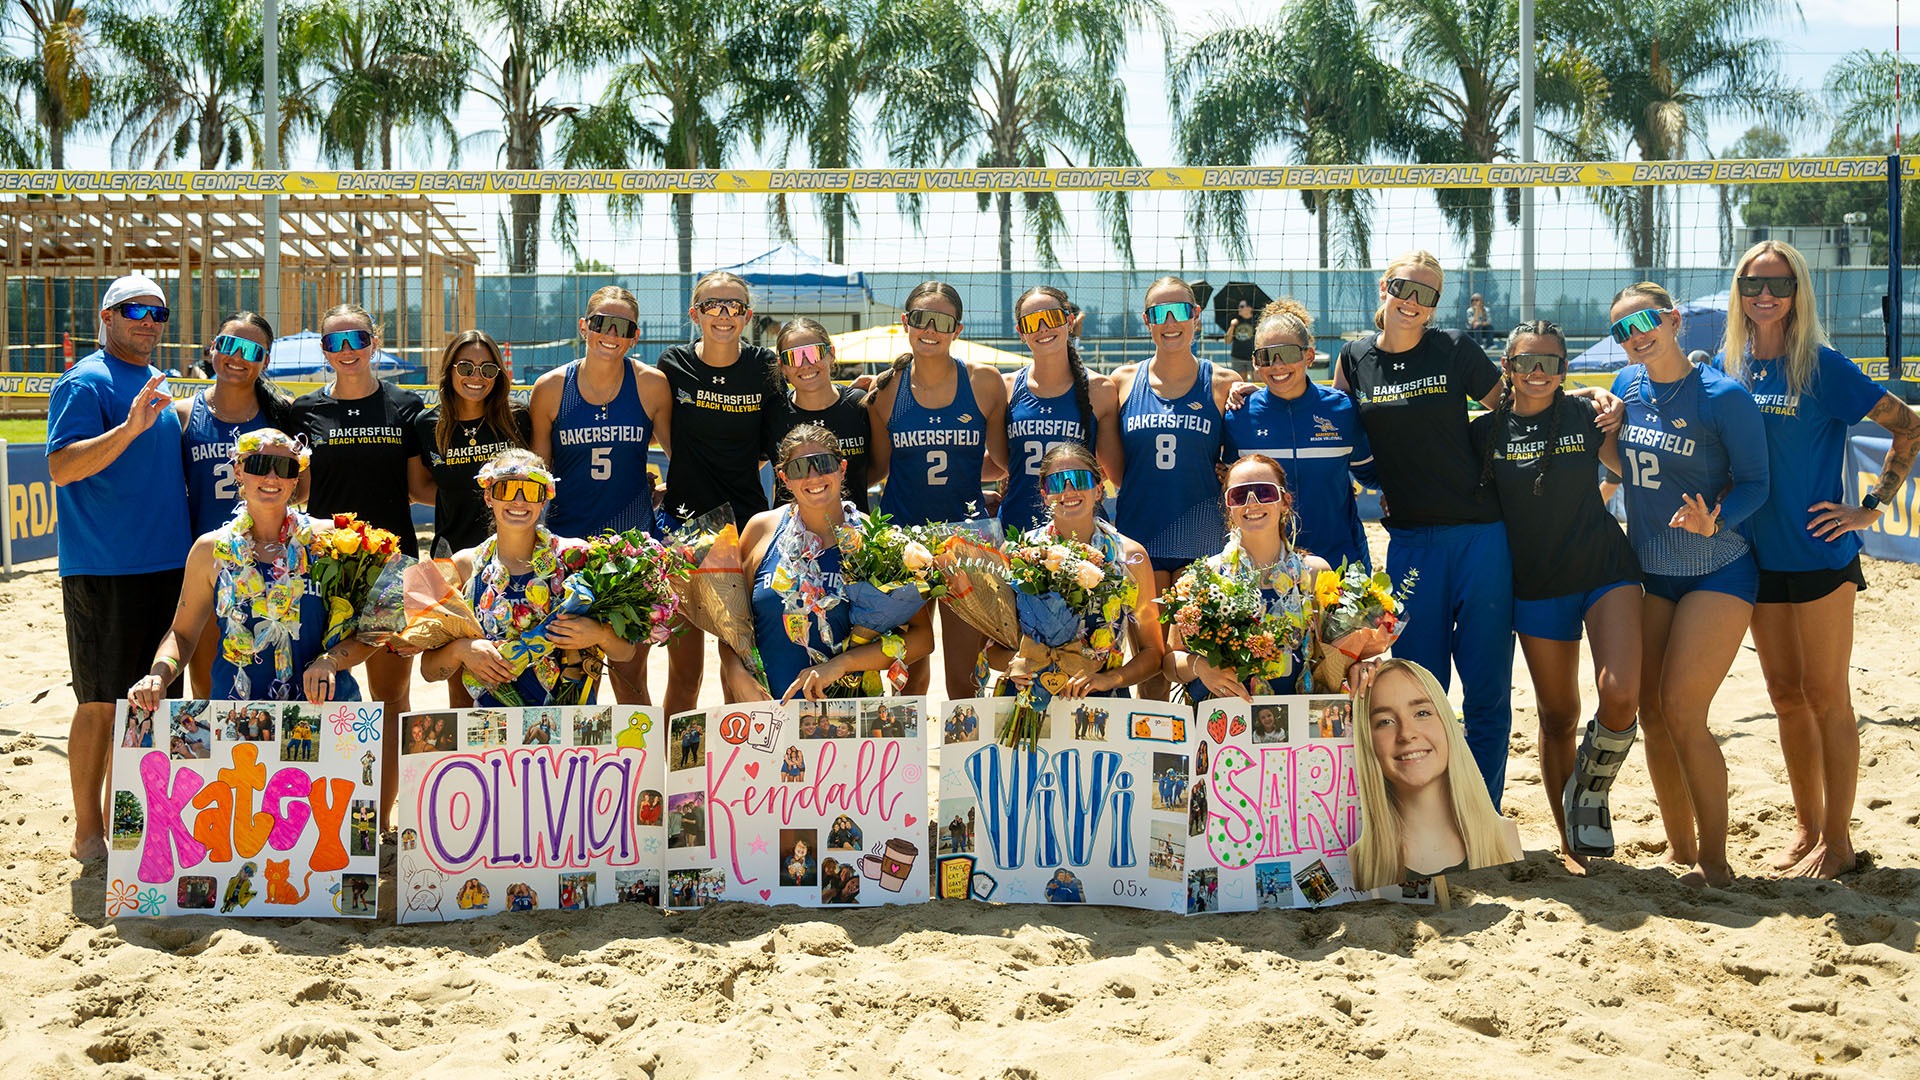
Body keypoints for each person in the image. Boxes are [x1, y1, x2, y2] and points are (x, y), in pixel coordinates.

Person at [1334, 250, 1619, 808]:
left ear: (1438, 304)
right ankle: (1429, 810)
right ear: (1383, 289)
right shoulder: (1353, 358)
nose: (1413, 302)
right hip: (1411, 541)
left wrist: (1585, 396)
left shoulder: (1454, 350)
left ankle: (1482, 813)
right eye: (1403, 288)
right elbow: (1331, 418)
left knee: (1486, 688)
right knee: (1418, 687)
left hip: (1482, 535)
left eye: (1428, 295)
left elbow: (1519, 404)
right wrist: (1247, 391)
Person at [1719, 240, 1920, 879]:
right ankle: (1806, 829)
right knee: (1783, 696)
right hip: (1755, 556)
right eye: (1753, 285)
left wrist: (1871, 506)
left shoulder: (1824, 367)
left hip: (1819, 555)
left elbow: (1909, 425)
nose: (1765, 295)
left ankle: (1840, 841)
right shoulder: (1732, 367)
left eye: (1778, 283)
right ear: (1740, 293)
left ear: (1799, 290)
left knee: (1827, 695)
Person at [1605, 281, 1769, 888]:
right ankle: (1679, 850)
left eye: (1645, 321)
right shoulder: (1628, 388)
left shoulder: (1723, 396)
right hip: (1653, 570)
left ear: (1673, 319)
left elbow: (1757, 484)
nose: (1636, 335)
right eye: (1622, 330)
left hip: (1718, 567)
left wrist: (1715, 517)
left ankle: (1716, 862)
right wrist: (1604, 435)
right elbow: (1628, 466)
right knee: (1649, 711)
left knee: (1682, 709)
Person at [1470, 321, 1642, 874]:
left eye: (1549, 362)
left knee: (1620, 694)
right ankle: (1571, 838)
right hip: (1537, 585)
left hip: (1603, 567)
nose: (1538, 372)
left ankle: (1589, 789)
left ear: (1564, 370)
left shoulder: (1585, 414)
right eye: (1526, 362)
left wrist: (1620, 412)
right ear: (1509, 368)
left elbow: (1626, 468)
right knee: (1558, 714)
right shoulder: (1484, 434)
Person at [46, 274, 193, 860]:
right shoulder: (85, 380)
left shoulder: (155, 382)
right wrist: (130, 427)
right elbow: (61, 467)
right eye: (134, 310)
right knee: (99, 702)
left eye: (158, 312)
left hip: (167, 565)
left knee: (151, 701)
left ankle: (126, 823)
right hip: (105, 567)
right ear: (105, 316)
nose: (148, 320)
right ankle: (88, 830)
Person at [127, 427, 372, 713]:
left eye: (284, 467)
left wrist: (332, 660)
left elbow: (373, 630)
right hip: (238, 716)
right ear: (238, 471)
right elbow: (182, 634)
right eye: (257, 465)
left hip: (326, 712)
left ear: (296, 478)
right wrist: (158, 675)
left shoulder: (333, 540)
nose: (271, 477)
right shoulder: (210, 549)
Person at [291, 302, 431, 803]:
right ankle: (323, 808)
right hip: (321, 570)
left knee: (391, 698)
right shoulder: (302, 411)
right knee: (319, 692)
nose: (347, 351)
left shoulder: (405, 406)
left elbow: (421, 487)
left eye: (357, 339)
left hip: (391, 570)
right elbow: (295, 491)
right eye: (335, 342)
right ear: (324, 350)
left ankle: (386, 819)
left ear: (375, 342)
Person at [721, 424, 937, 703]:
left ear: (842, 468)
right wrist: (734, 671)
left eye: (823, 464)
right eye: (799, 468)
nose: (813, 476)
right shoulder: (760, 531)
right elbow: (730, 625)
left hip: (849, 717)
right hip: (768, 714)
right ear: (784, 478)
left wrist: (841, 664)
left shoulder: (877, 542)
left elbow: (922, 639)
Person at [867, 281, 1010, 699]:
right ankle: (903, 764)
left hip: (965, 541)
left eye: (942, 321)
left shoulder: (983, 382)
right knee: (906, 675)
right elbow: (876, 469)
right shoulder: (886, 390)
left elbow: (1002, 459)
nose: (930, 328)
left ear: (957, 329)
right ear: (905, 323)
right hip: (903, 539)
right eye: (920, 319)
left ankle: (961, 761)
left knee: (964, 678)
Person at [531, 285, 673, 704]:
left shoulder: (651, 385)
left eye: (622, 326)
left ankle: (645, 769)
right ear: (583, 327)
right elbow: (538, 480)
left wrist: (664, 496)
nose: (610, 333)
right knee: (566, 683)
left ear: (635, 335)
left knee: (630, 682)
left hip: (629, 553)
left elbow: (683, 461)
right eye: (601, 323)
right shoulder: (552, 388)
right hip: (566, 551)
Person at [420, 450, 636, 707]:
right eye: (507, 490)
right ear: (488, 496)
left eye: (531, 492)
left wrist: (601, 635)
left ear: (544, 499)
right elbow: (429, 671)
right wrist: (462, 651)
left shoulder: (576, 557)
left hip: (570, 731)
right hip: (494, 733)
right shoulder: (464, 566)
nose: (519, 501)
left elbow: (626, 652)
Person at [657, 272, 777, 713]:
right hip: (683, 528)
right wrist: (690, 468)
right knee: (685, 674)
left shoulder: (764, 367)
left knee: (741, 668)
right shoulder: (672, 364)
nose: (724, 314)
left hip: (744, 526)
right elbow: (668, 436)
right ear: (695, 314)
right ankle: (674, 771)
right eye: (713, 305)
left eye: (734, 306)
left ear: (747, 316)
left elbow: (769, 445)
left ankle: (738, 771)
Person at [1113, 276, 1235, 701]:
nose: (1169, 321)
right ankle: (1152, 766)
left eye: (1180, 310)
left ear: (1196, 317)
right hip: (1139, 538)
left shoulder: (1223, 383)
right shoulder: (1123, 381)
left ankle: (1196, 764)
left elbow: (1238, 467)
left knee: (1195, 667)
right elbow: (1111, 466)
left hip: (1200, 539)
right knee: (1149, 670)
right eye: (1158, 313)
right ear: (1146, 321)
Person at [174, 311, 299, 697]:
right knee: (208, 687)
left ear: (265, 360)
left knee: (276, 679)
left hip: (274, 563)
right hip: (212, 566)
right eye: (228, 344)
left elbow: (303, 486)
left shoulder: (282, 414)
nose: (237, 356)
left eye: (251, 349)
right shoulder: (182, 414)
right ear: (213, 346)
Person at [980, 443, 1163, 699]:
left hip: (1101, 702)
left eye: (1079, 479)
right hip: (1029, 699)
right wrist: (1016, 662)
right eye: (1056, 483)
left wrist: (1108, 679)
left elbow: (1153, 653)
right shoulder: (1018, 553)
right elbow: (989, 648)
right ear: (1044, 494)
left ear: (1099, 489)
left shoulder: (1129, 556)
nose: (1069, 490)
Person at [1222, 298, 1376, 571]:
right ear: (1255, 363)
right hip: (1265, 570)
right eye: (1267, 356)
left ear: (1309, 356)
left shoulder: (1343, 410)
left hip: (1340, 560)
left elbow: (1372, 475)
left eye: (1289, 353)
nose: (1277, 365)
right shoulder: (1238, 416)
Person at [1163, 455, 1329, 702]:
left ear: (1285, 501)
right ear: (1228, 506)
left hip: (1298, 725)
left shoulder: (1314, 574)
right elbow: (1169, 662)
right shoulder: (1203, 576)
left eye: (1264, 492)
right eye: (1239, 496)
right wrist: (1201, 668)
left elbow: (1338, 652)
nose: (1252, 503)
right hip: (1225, 725)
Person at [1350, 659, 1523, 891]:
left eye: (1422, 713)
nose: (1406, 733)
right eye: (1385, 722)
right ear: (1366, 741)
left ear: (1448, 724)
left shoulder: (1504, 837)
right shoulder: (1357, 862)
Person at [1000, 285, 1123, 533]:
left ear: (1068, 321)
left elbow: (1114, 471)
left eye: (1052, 317)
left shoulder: (1099, 389)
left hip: (1081, 531)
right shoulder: (1006, 387)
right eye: (1032, 322)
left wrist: (1073, 489)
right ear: (1021, 332)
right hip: (1017, 528)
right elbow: (1000, 461)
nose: (1043, 328)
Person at [764, 319, 870, 511]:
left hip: (853, 533)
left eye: (813, 353)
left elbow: (879, 468)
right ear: (783, 366)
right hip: (791, 534)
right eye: (793, 357)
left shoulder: (859, 404)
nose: (805, 364)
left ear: (831, 354)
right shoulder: (773, 413)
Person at [1224, 297, 1257, 375]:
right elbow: (1227, 341)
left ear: (1249, 308)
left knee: (1257, 381)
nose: (1239, 309)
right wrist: (1232, 326)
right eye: (1238, 307)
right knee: (1241, 382)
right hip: (1238, 357)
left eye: (1242, 306)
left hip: (1253, 357)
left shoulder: (1257, 321)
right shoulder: (1235, 321)